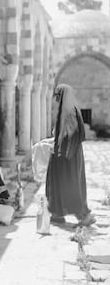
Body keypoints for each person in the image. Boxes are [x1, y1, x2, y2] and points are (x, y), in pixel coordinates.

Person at [46, 84, 95, 226]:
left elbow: (72, 133)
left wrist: (61, 146)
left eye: (57, 95)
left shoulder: (68, 111)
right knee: (58, 182)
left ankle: (83, 215)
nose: (56, 98)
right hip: (65, 154)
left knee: (70, 183)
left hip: (67, 156)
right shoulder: (68, 110)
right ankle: (57, 213)